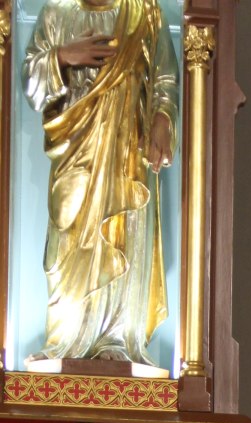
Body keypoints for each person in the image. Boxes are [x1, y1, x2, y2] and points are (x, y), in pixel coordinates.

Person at [23, 0, 180, 370]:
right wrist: (63, 56)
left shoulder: (145, 12)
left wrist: (162, 118)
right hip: (75, 154)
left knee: (121, 234)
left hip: (126, 156)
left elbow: (166, 79)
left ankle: (117, 339)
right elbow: (32, 84)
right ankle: (64, 340)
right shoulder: (56, 12)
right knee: (67, 239)